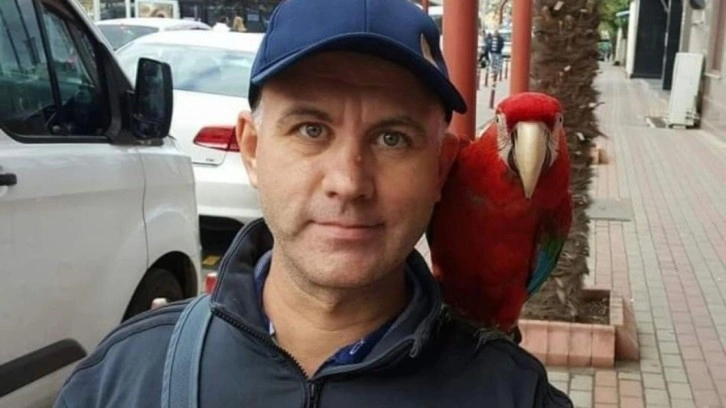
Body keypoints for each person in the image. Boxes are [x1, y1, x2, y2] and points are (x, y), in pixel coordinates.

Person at [54, 0, 573, 406]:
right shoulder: (124, 380)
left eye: (392, 138)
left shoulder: (515, 394)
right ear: (252, 151)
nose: (348, 182)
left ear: (440, 170)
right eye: (311, 129)